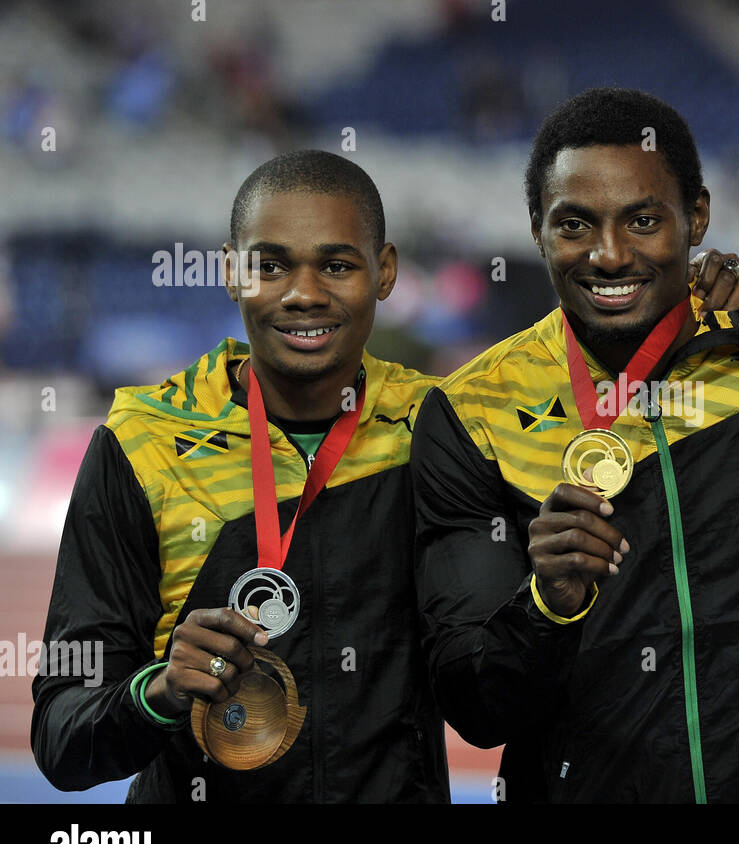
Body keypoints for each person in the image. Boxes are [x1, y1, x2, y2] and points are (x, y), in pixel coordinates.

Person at [411, 87, 739, 803]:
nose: (609, 255)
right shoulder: (472, 412)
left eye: (644, 220)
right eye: (575, 225)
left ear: (698, 216)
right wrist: (547, 607)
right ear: (536, 230)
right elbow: (474, 706)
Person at [31, 150, 451, 802]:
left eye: (337, 265)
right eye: (271, 265)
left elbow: (496, 693)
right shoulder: (142, 444)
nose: (304, 293)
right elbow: (62, 736)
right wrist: (163, 690)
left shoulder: (438, 430)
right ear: (230, 271)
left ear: (386, 271)